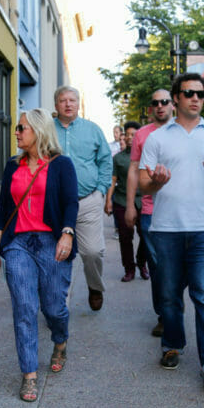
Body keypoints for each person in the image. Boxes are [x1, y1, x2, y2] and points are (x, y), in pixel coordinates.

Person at [139, 73, 204, 387]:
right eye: (189, 93)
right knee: (168, 295)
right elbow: (143, 183)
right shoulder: (158, 138)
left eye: (201, 93)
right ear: (177, 98)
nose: (196, 98)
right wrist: (156, 182)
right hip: (166, 229)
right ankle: (172, 344)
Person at [0, 108, 78, 403]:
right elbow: (3, 207)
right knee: (25, 308)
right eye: (16, 127)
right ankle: (29, 374)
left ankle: (60, 340)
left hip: (51, 240)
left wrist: (67, 232)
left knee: (53, 307)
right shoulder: (12, 166)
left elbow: (69, 202)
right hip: (18, 244)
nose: (16, 132)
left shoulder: (61, 165)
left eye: (21, 128)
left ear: (38, 131)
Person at [52, 85, 112, 311]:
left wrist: (101, 190)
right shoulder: (46, 130)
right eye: (63, 100)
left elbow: (105, 160)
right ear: (56, 104)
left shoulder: (93, 130)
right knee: (56, 252)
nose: (68, 104)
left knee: (92, 252)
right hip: (54, 204)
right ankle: (57, 302)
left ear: (78, 104)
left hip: (87, 200)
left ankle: (95, 287)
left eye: (72, 100)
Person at [125, 88, 175, 337]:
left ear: (173, 104)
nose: (160, 106)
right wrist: (130, 206)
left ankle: (173, 308)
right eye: (155, 103)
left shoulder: (183, 132)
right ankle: (165, 315)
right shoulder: (142, 135)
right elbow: (134, 169)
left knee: (177, 266)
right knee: (157, 266)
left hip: (179, 210)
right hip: (149, 210)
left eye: (164, 101)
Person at [105, 120, 148, 282]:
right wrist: (108, 200)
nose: (130, 138)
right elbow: (113, 179)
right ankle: (129, 269)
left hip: (143, 200)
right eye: (128, 134)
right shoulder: (118, 159)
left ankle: (142, 263)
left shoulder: (146, 154)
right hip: (122, 201)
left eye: (134, 134)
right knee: (125, 237)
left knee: (145, 234)